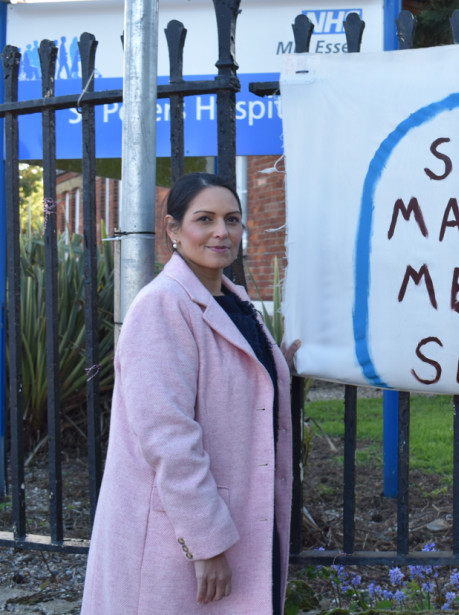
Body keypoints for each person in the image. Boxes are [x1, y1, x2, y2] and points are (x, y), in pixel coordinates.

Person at [82, 172, 301, 614]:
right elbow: (168, 437)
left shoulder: (235, 302)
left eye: (232, 219)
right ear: (173, 229)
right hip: (185, 538)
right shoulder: (162, 306)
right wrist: (207, 543)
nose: (222, 232)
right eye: (206, 219)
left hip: (238, 517)